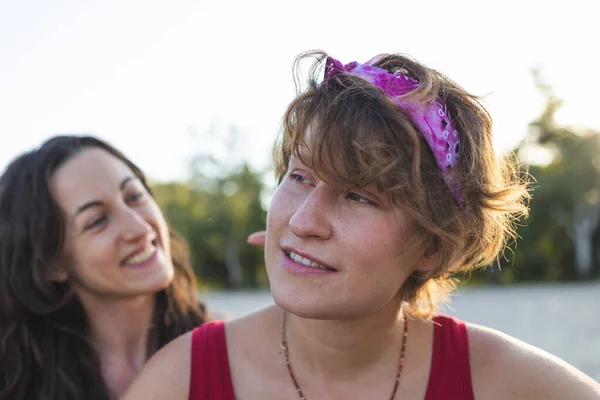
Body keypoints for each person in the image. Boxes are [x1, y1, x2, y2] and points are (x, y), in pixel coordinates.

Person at [122, 51, 600, 399]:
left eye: (359, 196)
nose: (304, 220)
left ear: (432, 247)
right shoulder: (181, 380)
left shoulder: (504, 383)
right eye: (300, 176)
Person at [0, 135, 208, 400]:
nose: (139, 228)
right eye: (98, 220)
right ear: (51, 265)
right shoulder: (17, 384)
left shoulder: (227, 351)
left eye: (134, 196)